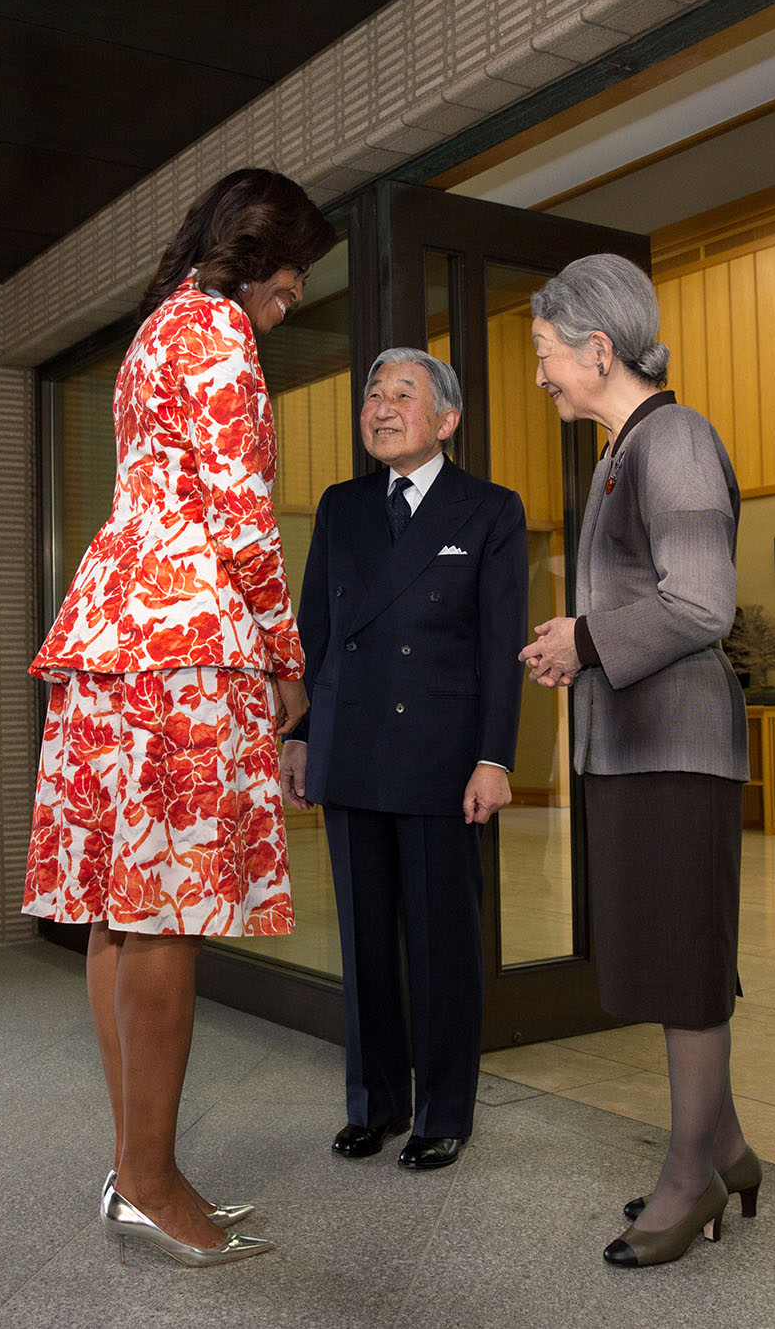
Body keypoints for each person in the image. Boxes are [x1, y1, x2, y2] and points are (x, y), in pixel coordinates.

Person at [22, 167, 333, 1268]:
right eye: (291, 281)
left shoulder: (153, 331)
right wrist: (285, 659)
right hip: (185, 642)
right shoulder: (217, 332)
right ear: (258, 252)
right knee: (163, 912)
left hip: (115, 632)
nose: (291, 303)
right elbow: (242, 516)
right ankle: (148, 1179)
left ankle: (136, 1167)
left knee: (118, 906)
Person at [516, 253, 762, 1268]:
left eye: (544, 356)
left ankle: (687, 1178)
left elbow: (702, 601)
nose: (538, 377)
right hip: (634, 747)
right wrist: (579, 639)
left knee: (683, 966)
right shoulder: (625, 448)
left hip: (676, 749)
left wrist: (583, 638)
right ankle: (729, 1146)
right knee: (669, 957)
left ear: (596, 348)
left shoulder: (677, 440)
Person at [277, 349, 527, 1171]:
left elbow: (498, 647)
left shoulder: (488, 509)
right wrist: (300, 737)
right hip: (350, 749)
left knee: (441, 946)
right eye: (373, 394)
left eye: (402, 395)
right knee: (365, 942)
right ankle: (375, 1102)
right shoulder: (341, 506)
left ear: (447, 420)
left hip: (440, 759)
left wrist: (494, 757)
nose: (381, 407)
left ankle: (444, 1110)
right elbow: (312, 634)